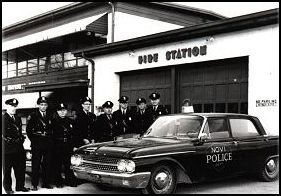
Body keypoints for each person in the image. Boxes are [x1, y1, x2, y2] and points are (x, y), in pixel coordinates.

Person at [2, 98, 30, 194]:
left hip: (18, 148)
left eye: (15, 106)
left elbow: (19, 132)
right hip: (7, 148)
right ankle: (8, 188)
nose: (13, 108)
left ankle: (20, 186)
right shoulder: (3, 118)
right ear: (6, 107)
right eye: (11, 106)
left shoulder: (18, 118)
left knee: (20, 168)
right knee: (7, 170)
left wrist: (21, 138)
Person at [26, 96, 54, 190]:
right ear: (38, 105)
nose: (43, 106)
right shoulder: (33, 116)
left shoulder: (50, 115)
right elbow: (29, 131)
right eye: (41, 104)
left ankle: (46, 183)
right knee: (36, 164)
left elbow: (52, 130)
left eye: (45, 104)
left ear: (47, 105)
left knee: (47, 164)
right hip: (37, 144)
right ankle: (34, 184)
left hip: (48, 144)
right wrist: (34, 141)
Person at [52, 103, 77, 188]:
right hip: (57, 145)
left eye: (64, 110)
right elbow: (51, 136)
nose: (62, 112)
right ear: (57, 111)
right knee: (57, 164)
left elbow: (73, 135)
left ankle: (69, 180)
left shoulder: (70, 121)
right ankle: (58, 182)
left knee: (68, 164)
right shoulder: (53, 122)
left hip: (68, 145)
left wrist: (73, 145)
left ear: (66, 111)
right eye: (60, 110)